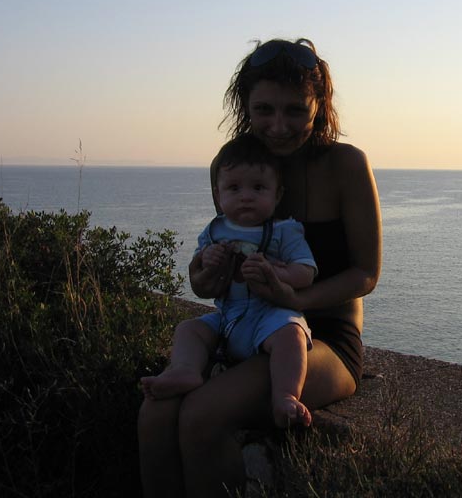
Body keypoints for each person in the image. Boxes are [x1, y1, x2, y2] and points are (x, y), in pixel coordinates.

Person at [138, 38, 382, 498]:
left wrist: (295, 297)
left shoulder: (346, 165)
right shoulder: (234, 166)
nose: (279, 126)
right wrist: (204, 277)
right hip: (246, 325)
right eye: (264, 110)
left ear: (320, 106)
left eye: (295, 111)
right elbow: (220, 261)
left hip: (325, 338)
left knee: (202, 415)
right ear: (244, 105)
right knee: (154, 413)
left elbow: (366, 274)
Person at [140, 134, 318, 428]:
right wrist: (208, 261)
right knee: (189, 329)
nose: (246, 196)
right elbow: (200, 269)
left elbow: (306, 271)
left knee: (292, 334)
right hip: (227, 317)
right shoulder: (214, 231)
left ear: (277, 195)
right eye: (234, 188)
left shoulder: (284, 231)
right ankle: (185, 370)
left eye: (258, 188)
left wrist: (277, 274)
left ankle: (286, 395)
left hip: (269, 316)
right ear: (218, 195)